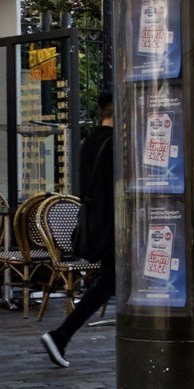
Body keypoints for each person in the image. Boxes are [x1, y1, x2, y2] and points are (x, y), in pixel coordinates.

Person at [39, 93, 116, 367]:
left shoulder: (91, 142)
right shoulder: (114, 144)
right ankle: (61, 334)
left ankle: (61, 335)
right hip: (113, 227)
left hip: (97, 224)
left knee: (110, 281)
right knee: (110, 282)